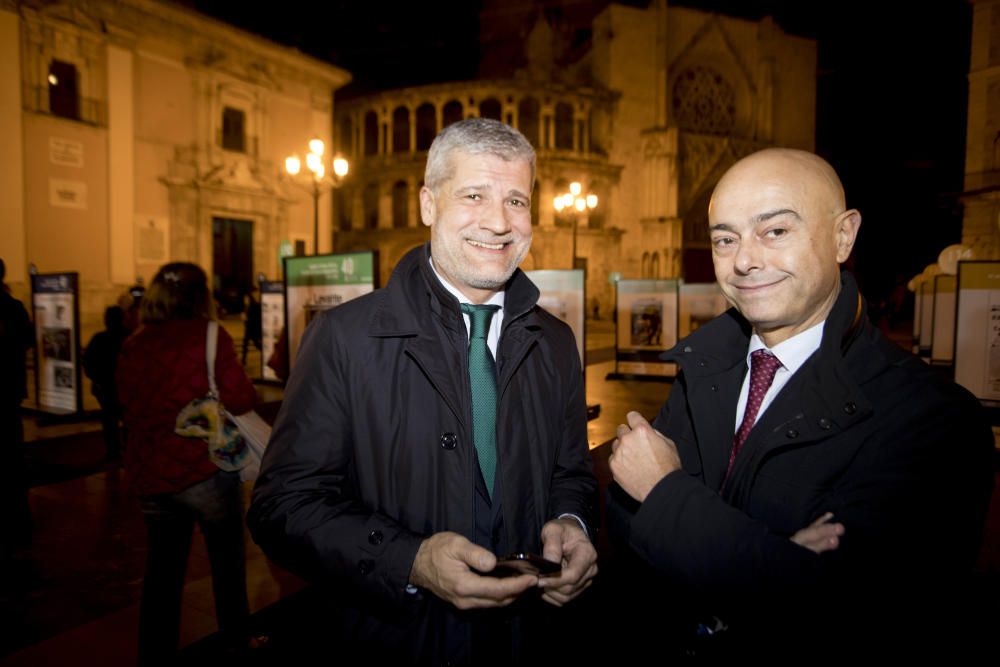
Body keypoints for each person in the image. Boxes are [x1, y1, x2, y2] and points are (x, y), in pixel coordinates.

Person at [607, 148, 995, 660]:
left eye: (775, 232)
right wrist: (774, 556)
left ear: (843, 236)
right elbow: (625, 522)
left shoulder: (936, 419)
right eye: (726, 239)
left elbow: (848, 614)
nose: (744, 260)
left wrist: (665, 491)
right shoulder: (703, 369)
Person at [248, 118, 598, 665]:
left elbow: (570, 473)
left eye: (516, 200)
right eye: (474, 195)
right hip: (398, 642)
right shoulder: (345, 338)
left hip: (528, 639)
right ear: (428, 204)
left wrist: (572, 524)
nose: (499, 222)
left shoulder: (555, 342)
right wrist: (409, 560)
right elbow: (283, 506)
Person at [116, 262, 263, 665]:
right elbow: (240, 398)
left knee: (161, 573)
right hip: (206, 472)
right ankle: (236, 641)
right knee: (227, 566)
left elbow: (128, 408)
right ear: (202, 296)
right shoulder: (210, 336)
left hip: (151, 476)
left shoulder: (135, 343)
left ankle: (154, 651)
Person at [0, 258, 34, 555]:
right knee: (13, 454)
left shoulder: (12, 308)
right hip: (9, 389)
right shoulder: (13, 308)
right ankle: (19, 514)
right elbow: (27, 340)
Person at [83, 305, 129, 460]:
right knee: (127, 420)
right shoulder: (129, 338)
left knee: (109, 421)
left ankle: (113, 451)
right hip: (124, 387)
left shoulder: (100, 339)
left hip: (106, 386)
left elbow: (88, 361)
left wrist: (96, 380)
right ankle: (127, 449)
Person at [241, 288, 262, 366]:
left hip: (253, 328)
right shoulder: (247, 307)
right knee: (245, 344)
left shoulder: (255, 305)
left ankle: (265, 352)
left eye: (246, 299)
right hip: (249, 327)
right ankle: (243, 359)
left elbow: (257, 318)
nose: (245, 300)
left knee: (256, 344)